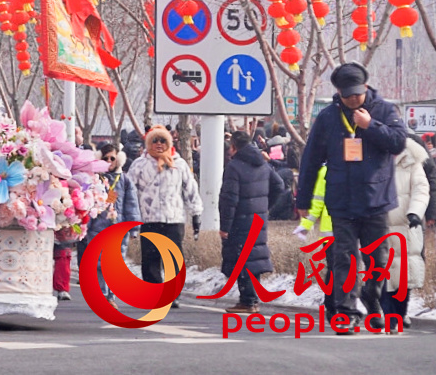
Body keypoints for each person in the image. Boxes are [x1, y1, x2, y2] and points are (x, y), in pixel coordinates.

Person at [295, 62, 408, 332]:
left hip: (376, 200)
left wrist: (371, 126)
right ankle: (346, 311)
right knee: (344, 258)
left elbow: (398, 142)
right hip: (342, 202)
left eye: (357, 93)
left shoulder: (384, 110)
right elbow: (310, 160)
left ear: (366, 87)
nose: (352, 99)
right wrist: (303, 200)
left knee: (378, 260)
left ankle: (372, 295)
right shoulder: (328, 117)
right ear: (338, 92)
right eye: (347, 95)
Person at [124, 126, 202, 308]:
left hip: (173, 219)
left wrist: (196, 212)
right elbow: (130, 191)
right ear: (148, 143)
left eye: (162, 141)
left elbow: (190, 190)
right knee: (151, 259)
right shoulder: (139, 165)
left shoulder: (179, 163)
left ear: (169, 142)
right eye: (155, 141)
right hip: (149, 219)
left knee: (173, 258)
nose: (159, 145)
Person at [217, 131, 285, 314]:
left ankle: (248, 300)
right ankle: (250, 299)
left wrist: (224, 227)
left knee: (241, 258)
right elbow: (279, 186)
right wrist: (264, 207)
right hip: (258, 218)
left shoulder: (234, 167)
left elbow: (229, 199)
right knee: (253, 257)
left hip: (239, 221)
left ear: (233, 147)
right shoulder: (263, 163)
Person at [81, 141, 139, 299]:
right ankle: (102, 291)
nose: (108, 162)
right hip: (97, 227)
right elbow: (86, 202)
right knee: (99, 262)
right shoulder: (93, 179)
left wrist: (134, 228)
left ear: (118, 159)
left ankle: (113, 292)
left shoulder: (125, 180)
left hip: (119, 228)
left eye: (112, 158)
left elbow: (131, 204)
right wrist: (84, 226)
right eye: (105, 158)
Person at [380, 136, 429, 322]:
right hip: (378, 226)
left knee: (402, 275)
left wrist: (415, 212)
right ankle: (388, 315)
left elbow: (421, 189)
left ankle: (398, 314)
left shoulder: (412, 162)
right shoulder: (372, 158)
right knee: (381, 272)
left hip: (405, 227)